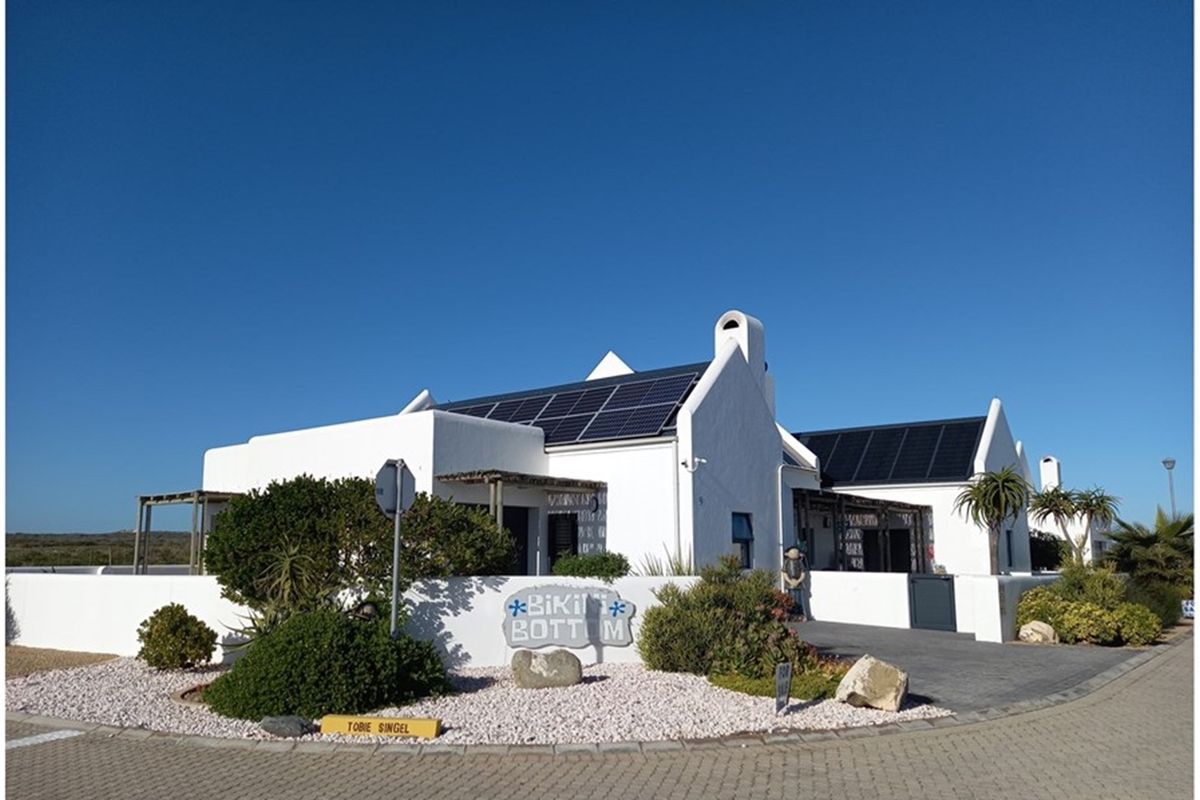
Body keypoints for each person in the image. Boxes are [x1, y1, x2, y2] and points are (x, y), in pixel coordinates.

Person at [781, 544, 810, 620]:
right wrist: (789, 581)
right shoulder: (786, 562)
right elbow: (784, 573)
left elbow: (803, 573)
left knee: (799, 598)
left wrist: (799, 580)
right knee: (790, 598)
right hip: (790, 583)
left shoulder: (800, 562)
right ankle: (791, 613)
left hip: (798, 583)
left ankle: (800, 614)